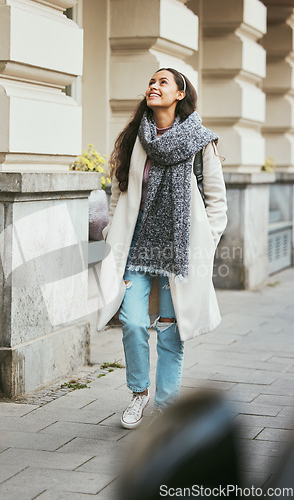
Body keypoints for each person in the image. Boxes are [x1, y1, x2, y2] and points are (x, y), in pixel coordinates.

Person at [97, 68, 227, 429]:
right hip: (135, 248)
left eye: (163, 82)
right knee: (132, 323)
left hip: (180, 253)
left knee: (171, 332)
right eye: (151, 81)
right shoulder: (136, 139)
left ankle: (166, 409)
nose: (154, 86)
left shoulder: (202, 142)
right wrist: (112, 231)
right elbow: (119, 191)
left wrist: (207, 240)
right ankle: (139, 394)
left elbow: (217, 202)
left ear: (180, 94)